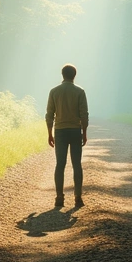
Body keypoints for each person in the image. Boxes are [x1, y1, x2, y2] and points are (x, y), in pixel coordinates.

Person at [46, 64, 88, 208]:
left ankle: (59, 197)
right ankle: (78, 198)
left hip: (60, 131)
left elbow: (49, 114)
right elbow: (84, 114)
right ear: (74, 75)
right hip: (75, 131)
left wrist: (49, 133)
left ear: (62, 75)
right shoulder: (80, 91)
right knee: (77, 165)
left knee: (60, 164)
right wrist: (84, 133)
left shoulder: (54, 91)